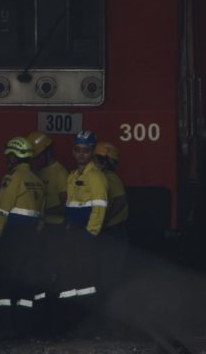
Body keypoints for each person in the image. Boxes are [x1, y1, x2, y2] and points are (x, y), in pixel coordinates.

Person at [0, 136, 45, 339]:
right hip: (32, 237)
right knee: (25, 284)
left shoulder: (11, 179)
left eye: (8, 156)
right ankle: (25, 329)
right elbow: (41, 215)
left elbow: (2, 210)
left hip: (13, 235)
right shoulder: (37, 180)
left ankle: (3, 328)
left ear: (13, 157)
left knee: (4, 281)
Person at [57, 130, 108, 322]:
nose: (81, 154)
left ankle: (88, 318)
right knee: (72, 275)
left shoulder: (95, 176)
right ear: (72, 151)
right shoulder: (73, 175)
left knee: (85, 278)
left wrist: (90, 233)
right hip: (73, 232)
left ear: (92, 152)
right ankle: (72, 316)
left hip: (85, 234)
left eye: (86, 150)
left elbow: (100, 206)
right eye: (77, 149)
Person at [26, 131, 69, 332]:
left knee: (54, 272)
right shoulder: (38, 172)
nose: (34, 161)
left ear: (46, 153)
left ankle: (55, 317)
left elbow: (65, 204)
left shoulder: (60, 172)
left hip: (55, 228)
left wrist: (44, 212)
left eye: (36, 157)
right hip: (42, 228)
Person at [94, 142, 129, 296]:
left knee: (109, 272)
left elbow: (121, 200)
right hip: (113, 231)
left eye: (96, 159)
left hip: (114, 231)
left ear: (104, 161)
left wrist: (105, 219)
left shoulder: (110, 178)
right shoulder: (105, 177)